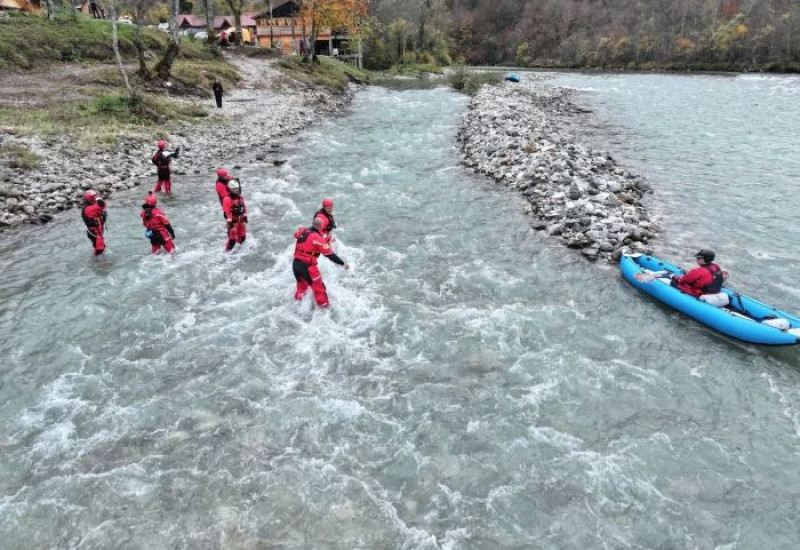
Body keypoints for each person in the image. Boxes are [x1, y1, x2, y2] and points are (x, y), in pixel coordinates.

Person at [293, 217, 350, 308]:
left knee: (301, 286)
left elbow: (297, 235)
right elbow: (330, 255)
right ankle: (324, 309)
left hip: (296, 264)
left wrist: (327, 239)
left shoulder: (302, 230)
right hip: (308, 266)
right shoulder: (318, 238)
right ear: (321, 226)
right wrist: (343, 263)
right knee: (319, 288)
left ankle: (296, 305)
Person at [222, 179, 247, 251]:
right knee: (232, 240)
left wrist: (245, 219)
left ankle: (240, 250)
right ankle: (226, 253)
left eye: (237, 188)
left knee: (243, 237)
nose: (236, 190)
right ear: (230, 189)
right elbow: (227, 213)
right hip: (233, 221)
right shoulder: (227, 199)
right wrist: (231, 226)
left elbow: (244, 208)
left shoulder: (240, 197)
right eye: (234, 189)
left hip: (241, 219)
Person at [81, 189, 107, 255]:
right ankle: (98, 263)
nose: (95, 199)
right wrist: (98, 198)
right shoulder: (87, 209)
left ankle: (98, 260)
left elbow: (101, 206)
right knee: (100, 250)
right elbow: (102, 205)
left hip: (97, 232)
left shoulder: (90, 207)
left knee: (101, 248)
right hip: (95, 233)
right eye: (93, 198)